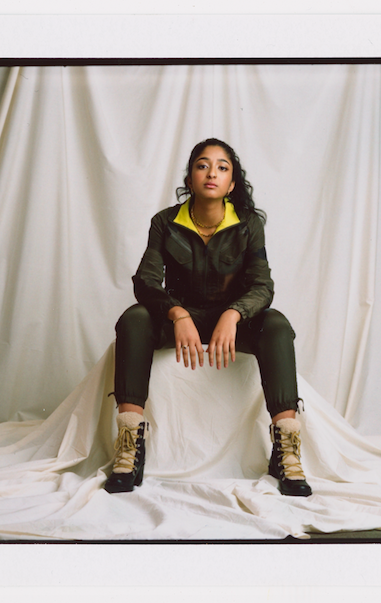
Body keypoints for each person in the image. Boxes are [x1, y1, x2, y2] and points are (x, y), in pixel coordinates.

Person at [104, 138, 312, 497]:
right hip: (179, 319)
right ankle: (128, 447)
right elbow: (146, 281)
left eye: (222, 167)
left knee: (277, 325)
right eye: (203, 165)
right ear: (190, 176)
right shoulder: (165, 222)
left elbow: (263, 285)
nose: (211, 172)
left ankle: (286, 452)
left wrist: (234, 314)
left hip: (229, 325)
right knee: (133, 319)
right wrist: (177, 313)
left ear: (231, 183)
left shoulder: (248, 225)